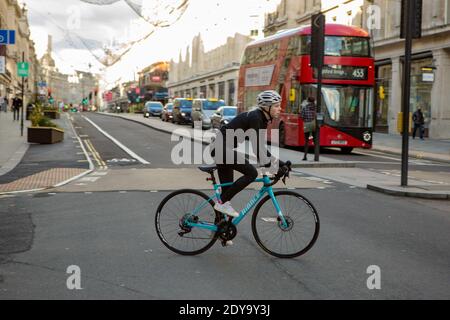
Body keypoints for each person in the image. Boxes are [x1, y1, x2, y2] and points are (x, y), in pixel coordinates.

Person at [211, 90, 288, 219]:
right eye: (276, 106)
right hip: (220, 148)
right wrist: (274, 167)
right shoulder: (256, 118)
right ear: (266, 107)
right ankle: (221, 202)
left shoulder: (261, 119)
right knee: (251, 173)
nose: (280, 108)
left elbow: (261, 148)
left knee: (227, 195)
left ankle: (220, 231)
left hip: (223, 149)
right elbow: (257, 149)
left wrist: (281, 163)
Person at [301, 96, 317, 161]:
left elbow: (302, 116)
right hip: (314, 124)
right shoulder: (316, 108)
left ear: (308, 101)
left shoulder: (305, 107)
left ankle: (305, 156)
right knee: (315, 141)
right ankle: (316, 157)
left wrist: (306, 119)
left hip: (307, 124)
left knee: (307, 141)